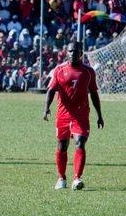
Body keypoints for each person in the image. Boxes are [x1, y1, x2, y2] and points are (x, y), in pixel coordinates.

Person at [43, 41, 104, 190]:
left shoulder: (88, 72)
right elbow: (51, 90)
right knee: (62, 146)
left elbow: (94, 94)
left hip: (81, 115)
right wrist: (46, 108)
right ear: (66, 53)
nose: (72, 54)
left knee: (80, 143)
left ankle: (77, 178)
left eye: (75, 52)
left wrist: (99, 115)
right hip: (63, 115)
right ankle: (61, 178)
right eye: (70, 51)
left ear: (81, 53)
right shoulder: (59, 70)